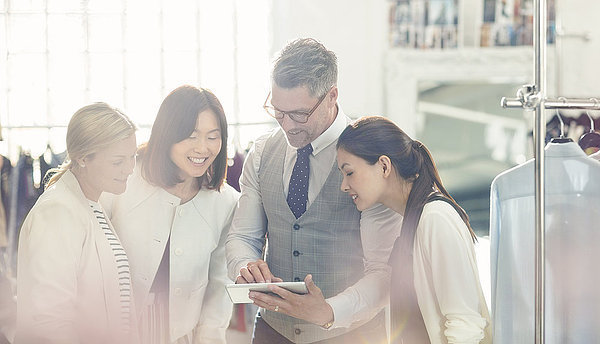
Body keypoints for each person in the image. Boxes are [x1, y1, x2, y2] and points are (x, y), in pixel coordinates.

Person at [226, 38, 402, 344]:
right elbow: (243, 236)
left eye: (299, 114)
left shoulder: (371, 155)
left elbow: (383, 270)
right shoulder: (262, 152)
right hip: (272, 331)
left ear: (332, 95)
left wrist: (329, 311)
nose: (288, 126)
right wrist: (245, 265)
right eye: (278, 112)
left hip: (352, 334)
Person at [336, 116, 492, 344]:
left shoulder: (435, 218)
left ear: (384, 166)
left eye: (349, 172)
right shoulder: (412, 222)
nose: (344, 185)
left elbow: (465, 323)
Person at [101, 86, 239, 344]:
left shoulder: (225, 202)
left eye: (213, 137)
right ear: (167, 134)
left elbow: (219, 288)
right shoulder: (125, 180)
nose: (202, 148)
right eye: (191, 135)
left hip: (180, 336)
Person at [16, 103, 138, 344]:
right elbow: (49, 320)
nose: (130, 168)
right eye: (118, 161)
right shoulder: (58, 212)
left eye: (133, 157)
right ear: (82, 158)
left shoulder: (91, 205)